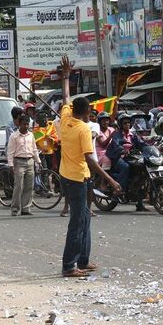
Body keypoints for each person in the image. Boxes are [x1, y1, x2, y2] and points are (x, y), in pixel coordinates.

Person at [58, 56, 120, 278]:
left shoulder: (65, 118)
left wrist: (66, 75)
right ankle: (69, 266)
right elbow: (91, 160)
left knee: (85, 218)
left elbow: (66, 96)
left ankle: (82, 260)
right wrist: (111, 181)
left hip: (70, 176)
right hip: (76, 178)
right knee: (77, 222)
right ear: (87, 112)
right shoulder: (83, 129)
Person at [106, 114, 148, 211]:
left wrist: (150, 146)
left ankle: (140, 203)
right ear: (121, 124)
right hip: (118, 157)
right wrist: (122, 149)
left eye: (129, 122)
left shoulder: (133, 134)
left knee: (142, 171)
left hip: (131, 157)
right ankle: (118, 191)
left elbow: (141, 143)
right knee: (125, 167)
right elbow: (116, 144)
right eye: (125, 123)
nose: (127, 125)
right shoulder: (117, 134)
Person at [7, 114, 40, 216]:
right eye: (24, 124)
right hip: (18, 162)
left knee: (29, 186)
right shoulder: (14, 136)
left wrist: (38, 162)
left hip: (30, 161)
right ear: (19, 125)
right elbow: (10, 152)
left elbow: (34, 149)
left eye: (27, 124)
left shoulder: (31, 135)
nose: (26, 126)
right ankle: (15, 209)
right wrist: (11, 165)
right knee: (19, 187)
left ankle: (26, 208)